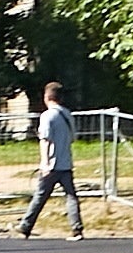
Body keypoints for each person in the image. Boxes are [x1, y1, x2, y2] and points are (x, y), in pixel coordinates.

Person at [16, 81, 83, 240]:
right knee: (71, 196)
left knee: (40, 196)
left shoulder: (47, 116)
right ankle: (77, 228)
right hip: (66, 164)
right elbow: (72, 138)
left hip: (52, 165)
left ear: (47, 97)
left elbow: (45, 140)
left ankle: (26, 226)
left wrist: (44, 163)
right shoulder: (68, 114)